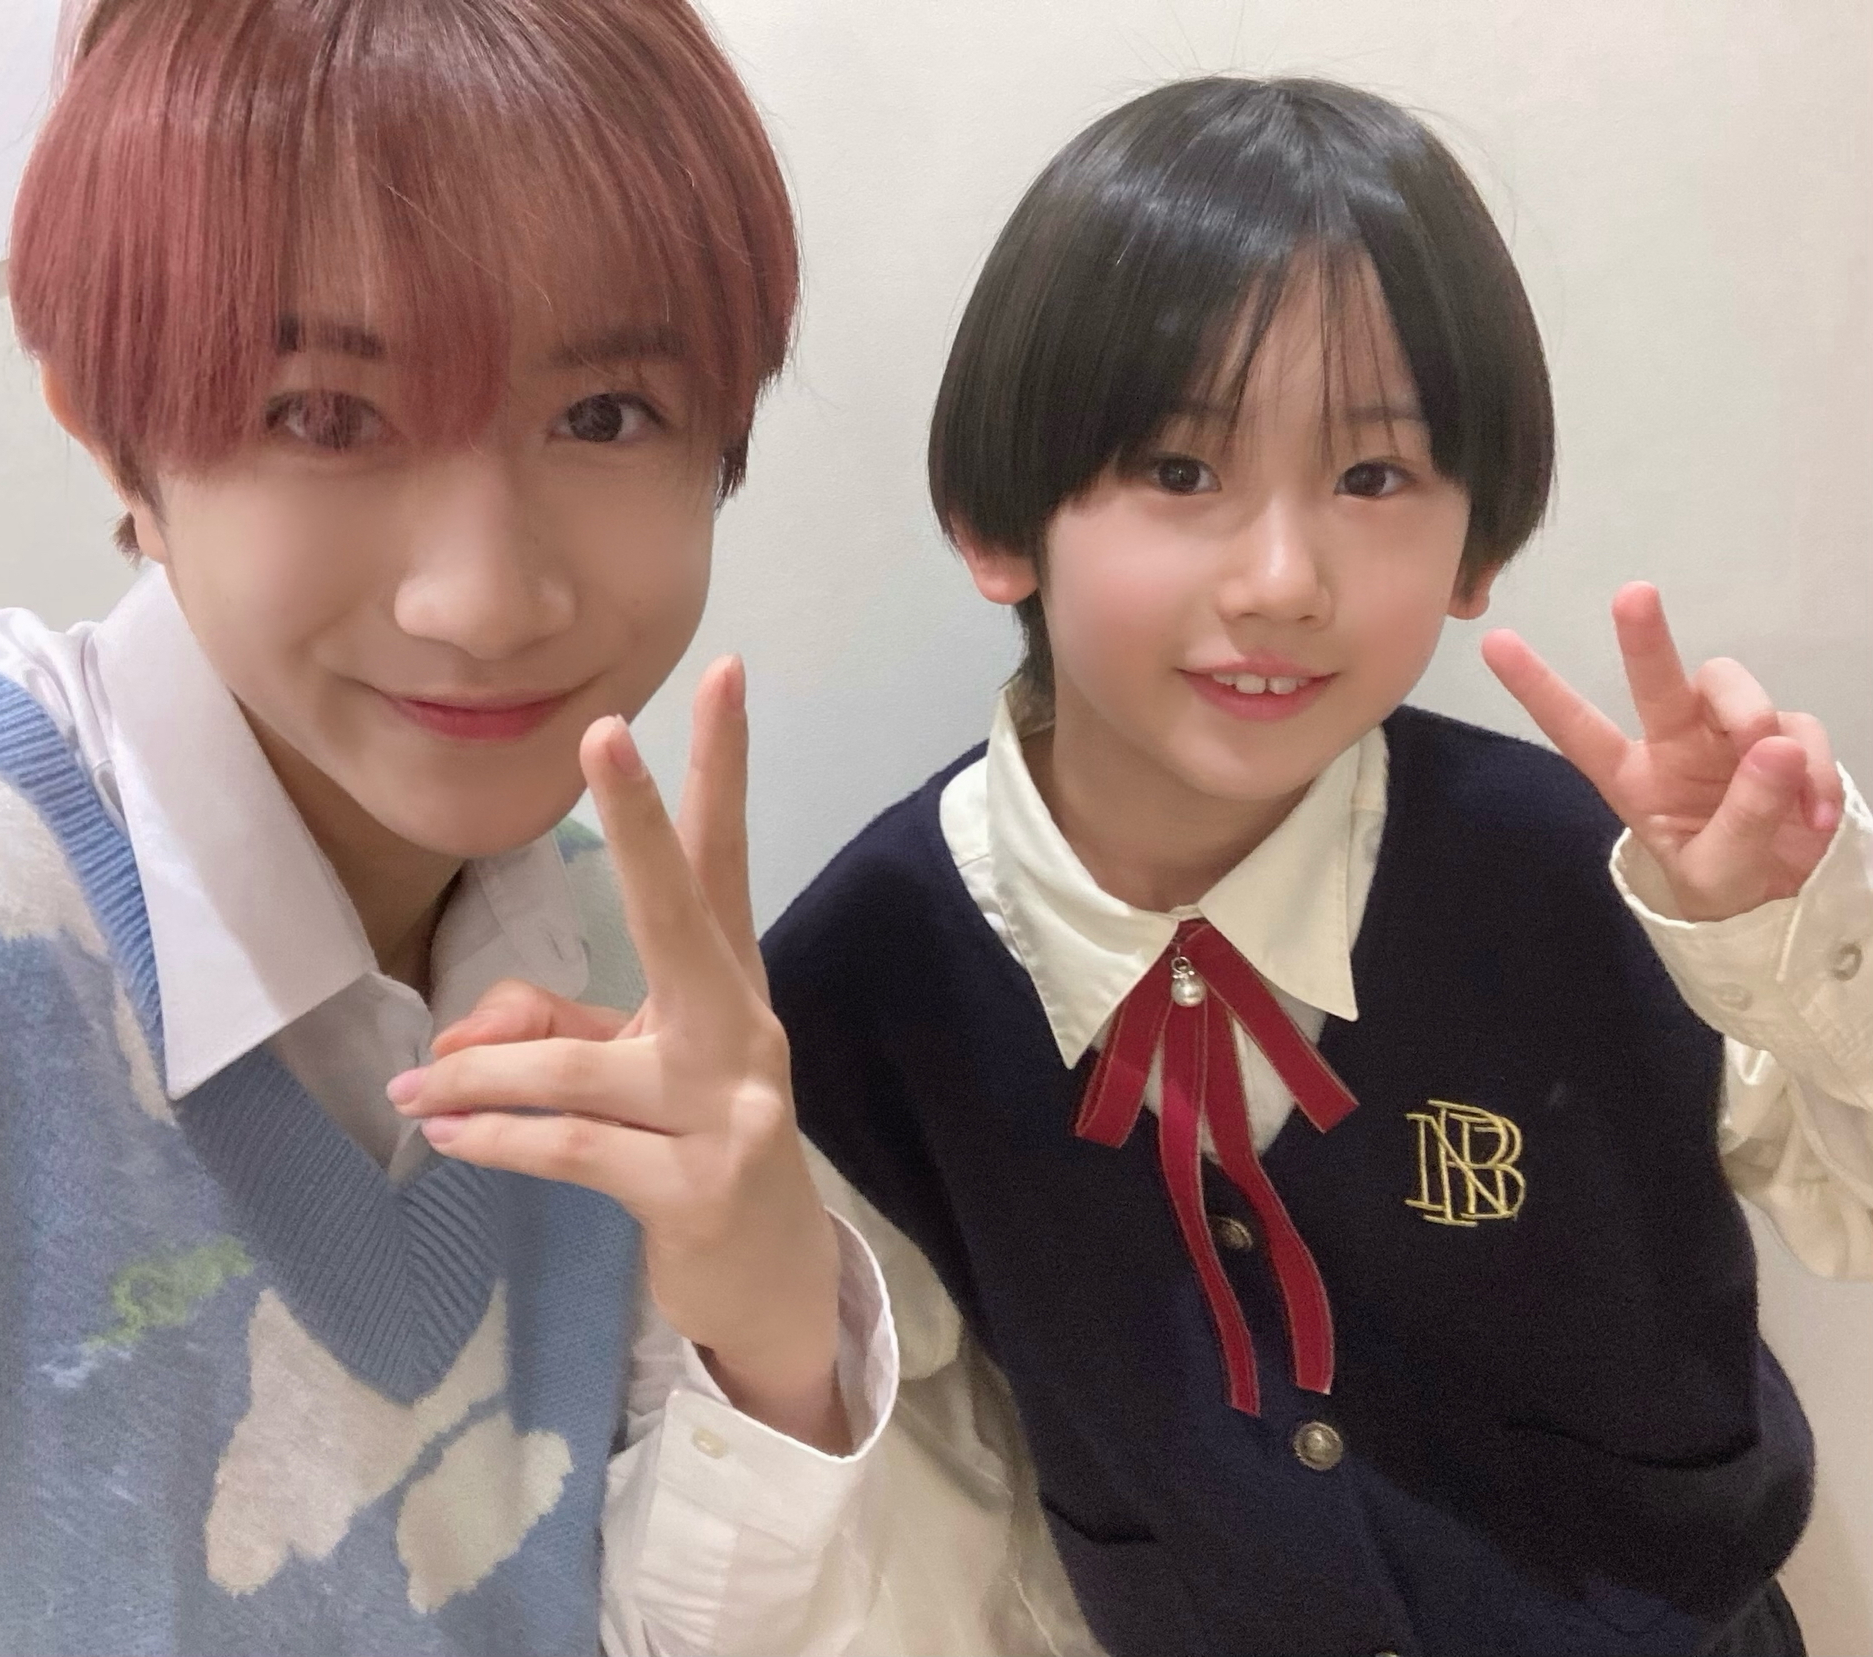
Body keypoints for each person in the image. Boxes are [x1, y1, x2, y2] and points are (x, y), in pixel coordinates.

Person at [742, 77, 1871, 1657]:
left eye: (1374, 476)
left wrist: (1782, 934)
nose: (1283, 580)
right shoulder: (865, 987)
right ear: (997, 525)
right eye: (1179, 470)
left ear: (1478, 542)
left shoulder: (1587, 873)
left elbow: (1850, 1204)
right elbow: (920, 1514)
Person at [0, 2, 906, 1652]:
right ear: (112, 437)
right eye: (324, 413)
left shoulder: (600, 929)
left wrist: (772, 1332)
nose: (484, 603)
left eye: (605, 413)